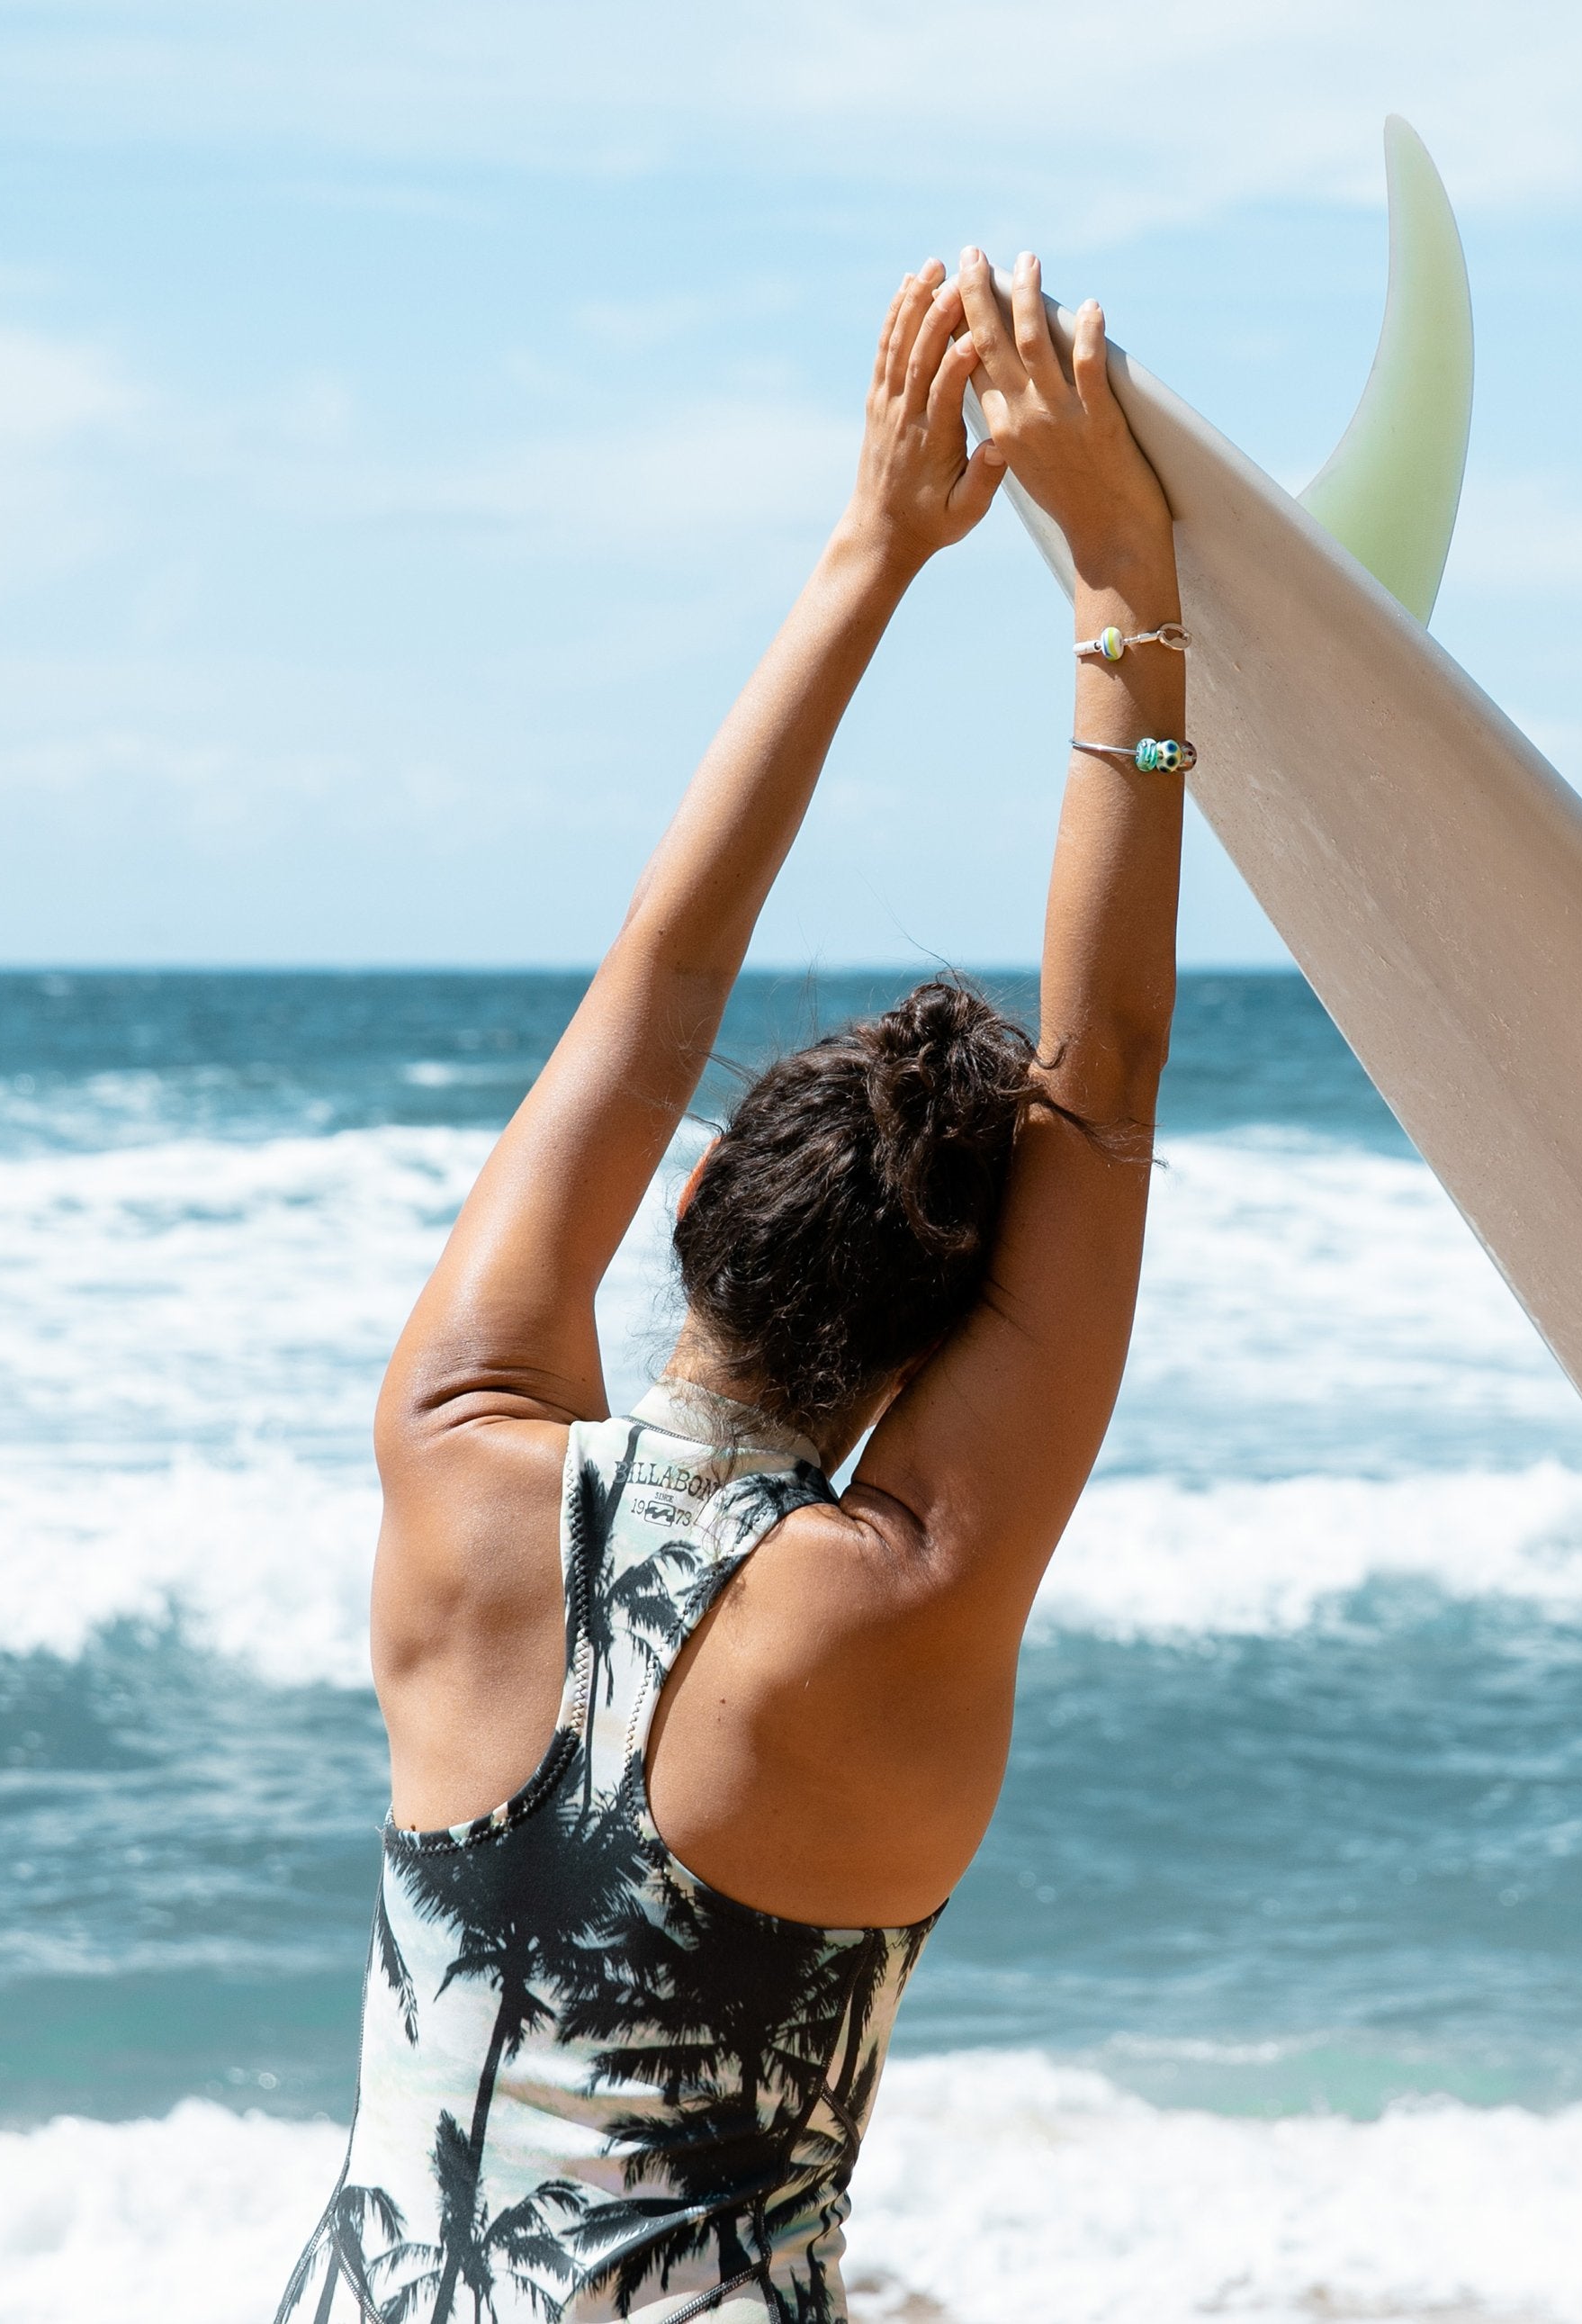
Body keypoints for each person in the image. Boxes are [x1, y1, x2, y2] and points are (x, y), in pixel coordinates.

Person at [277, 246, 1187, 2324]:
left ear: (688, 1206)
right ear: (931, 1354)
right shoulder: (907, 1588)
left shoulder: (452, 1454)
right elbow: (1107, 1077)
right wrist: (1125, 578)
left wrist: (875, 549)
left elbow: (650, 993)